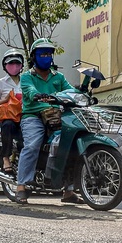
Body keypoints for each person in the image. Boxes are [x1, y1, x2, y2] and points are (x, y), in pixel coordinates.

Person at [16, 37, 82, 205]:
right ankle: (21, 186)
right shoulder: (26, 77)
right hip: (33, 116)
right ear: (33, 57)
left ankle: (69, 190)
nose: (46, 57)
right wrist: (36, 95)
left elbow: (70, 90)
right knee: (32, 145)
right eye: (42, 54)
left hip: (55, 114)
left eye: (48, 54)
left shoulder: (58, 77)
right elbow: (29, 91)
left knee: (71, 144)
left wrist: (80, 93)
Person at [0, 49, 24, 175]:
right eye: (11, 63)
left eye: (17, 63)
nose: (14, 66)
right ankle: (5, 158)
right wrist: (5, 100)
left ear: (21, 65)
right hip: (9, 118)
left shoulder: (26, 81)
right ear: (5, 66)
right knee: (8, 125)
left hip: (24, 116)